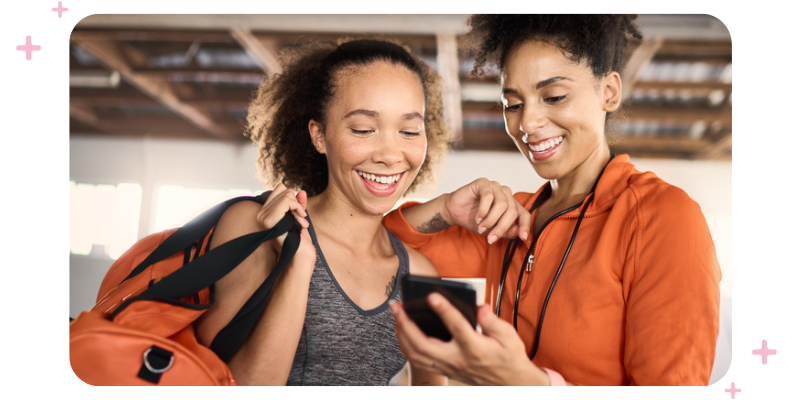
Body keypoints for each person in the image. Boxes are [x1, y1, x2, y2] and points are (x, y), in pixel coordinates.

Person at [385, 15, 721, 386]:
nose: (527, 122)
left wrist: (528, 384)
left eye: (554, 96)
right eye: (512, 104)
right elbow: (377, 251)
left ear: (609, 91)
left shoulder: (663, 218)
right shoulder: (508, 221)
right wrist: (446, 207)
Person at [194, 39, 450, 386]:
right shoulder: (257, 226)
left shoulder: (421, 276)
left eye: (409, 131)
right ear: (319, 135)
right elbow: (231, 383)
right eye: (363, 129)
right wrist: (298, 265)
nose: (391, 154)